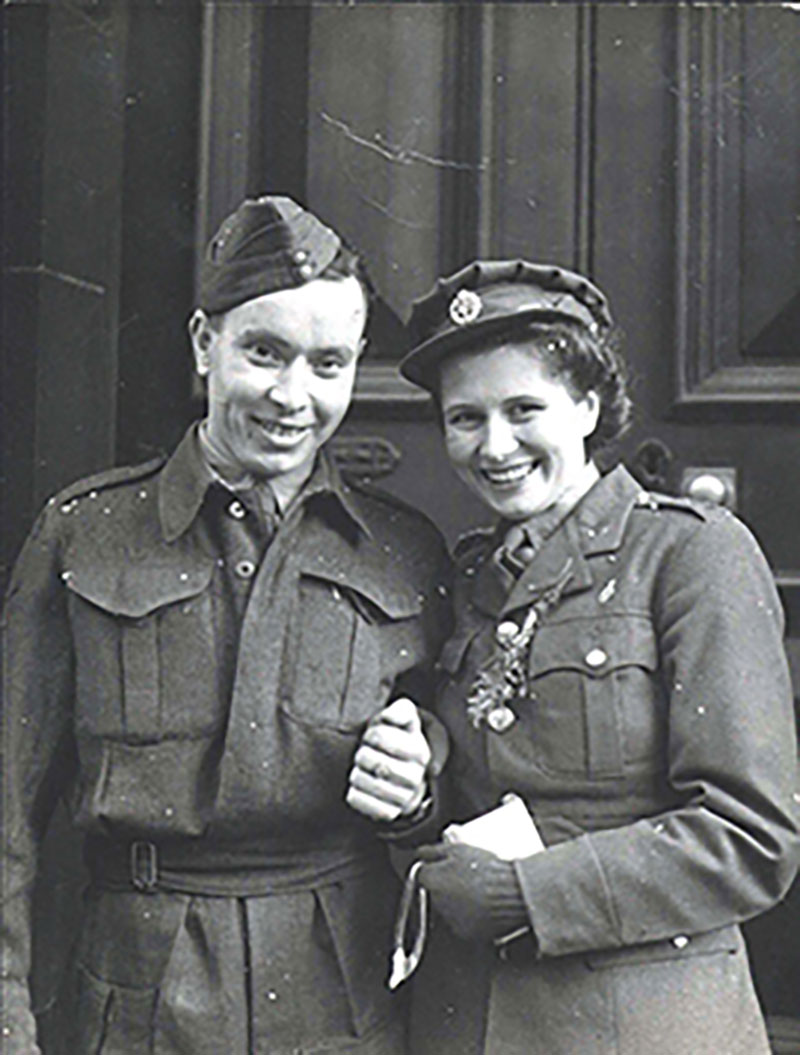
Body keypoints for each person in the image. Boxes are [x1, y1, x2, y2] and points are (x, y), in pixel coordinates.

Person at [1, 196, 452, 1055]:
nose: (292, 395)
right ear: (206, 344)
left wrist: (419, 783)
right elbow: (5, 812)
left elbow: (453, 779)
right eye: (264, 352)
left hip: (341, 1002)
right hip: (136, 997)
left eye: (327, 364)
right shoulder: (85, 532)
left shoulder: (402, 552)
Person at [349, 260, 799, 1054]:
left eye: (525, 408)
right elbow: (467, 800)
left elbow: (752, 835)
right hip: (470, 1018)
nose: (494, 446)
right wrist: (415, 800)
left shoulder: (691, 555)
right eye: (465, 417)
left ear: (589, 404)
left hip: (639, 1023)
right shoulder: (460, 577)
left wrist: (532, 894)